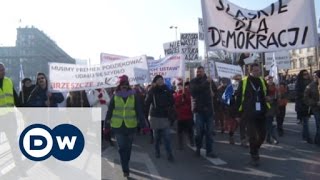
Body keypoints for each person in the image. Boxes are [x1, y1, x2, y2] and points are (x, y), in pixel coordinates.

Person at [105, 75, 145, 177]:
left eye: (126, 84)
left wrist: (143, 124)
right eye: (122, 84)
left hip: (131, 126)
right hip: (118, 127)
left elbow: (139, 111)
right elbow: (109, 111)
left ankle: (126, 161)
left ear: (128, 85)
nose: (124, 86)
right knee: (122, 148)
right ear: (119, 85)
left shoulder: (134, 96)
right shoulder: (115, 96)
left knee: (128, 147)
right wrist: (106, 125)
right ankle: (125, 169)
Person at [235, 63, 271, 166]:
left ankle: (254, 149)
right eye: (255, 70)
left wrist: (268, 97)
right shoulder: (244, 81)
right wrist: (238, 114)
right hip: (249, 113)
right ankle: (254, 155)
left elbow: (267, 93)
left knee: (262, 136)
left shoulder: (262, 81)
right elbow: (238, 98)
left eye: (258, 70)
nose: (257, 72)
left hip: (261, 112)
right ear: (250, 71)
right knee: (252, 136)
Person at [0, 63, 26, 177]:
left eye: (3, 69)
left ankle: (20, 169)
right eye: (0, 70)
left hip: (10, 119)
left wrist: (25, 111)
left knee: (14, 146)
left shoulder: (8, 81)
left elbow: (16, 99)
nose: (3, 71)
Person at [145, 75, 175, 162]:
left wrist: (167, 105)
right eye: (158, 80)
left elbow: (172, 101)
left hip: (164, 116)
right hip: (155, 116)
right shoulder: (152, 90)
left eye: (162, 79)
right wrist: (151, 90)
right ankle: (157, 151)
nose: (161, 81)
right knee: (157, 137)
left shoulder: (166, 89)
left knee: (167, 137)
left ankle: (169, 154)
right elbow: (147, 102)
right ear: (155, 81)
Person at [190, 66, 218, 158]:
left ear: (204, 72)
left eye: (200, 71)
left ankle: (209, 151)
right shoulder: (194, 81)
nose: (199, 73)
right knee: (199, 132)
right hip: (199, 111)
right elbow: (194, 91)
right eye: (197, 71)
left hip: (209, 110)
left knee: (209, 132)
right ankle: (198, 147)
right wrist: (206, 83)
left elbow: (216, 92)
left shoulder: (210, 81)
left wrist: (214, 93)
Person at [174, 80, 194, 150]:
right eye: (178, 86)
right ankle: (180, 145)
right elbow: (175, 104)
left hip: (188, 115)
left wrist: (185, 97)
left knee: (190, 130)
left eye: (180, 86)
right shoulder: (176, 94)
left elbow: (191, 102)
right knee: (180, 132)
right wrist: (180, 100)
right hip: (180, 116)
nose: (179, 87)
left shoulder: (188, 93)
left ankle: (191, 141)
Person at [222, 74, 242, 145]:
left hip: (240, 108)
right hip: (231, 108)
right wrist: (232, 97)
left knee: (239, 123)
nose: (238, 81)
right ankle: (231, 135)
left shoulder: (242, 86)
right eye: (237, 79)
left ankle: (243, 139)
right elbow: (224, 97)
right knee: (233, 124)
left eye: (239, 80)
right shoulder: (230, 87)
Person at [295, 69, 312, 143]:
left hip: (309, 104)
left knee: (306, 122)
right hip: (302, 104)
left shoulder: (311, 82)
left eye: (307, 74)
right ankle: (307, 137)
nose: (306, 75)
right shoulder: (299, 83)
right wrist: (305, 95)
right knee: (305, 122)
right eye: (304, 74)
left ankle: (305, 136)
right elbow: (297, 94)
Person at [304, 70, 320, 146]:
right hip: (316, 108)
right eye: (314, 76)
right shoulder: (310, 86)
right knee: (318, 125)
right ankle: (317, 141)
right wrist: (315, 102)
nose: (314, 78)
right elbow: (306, 98)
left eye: (316, 76)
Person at [265, 76, 279, 145]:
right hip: (265, 109)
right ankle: (273, 138)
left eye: (271, 79)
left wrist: (274, 98)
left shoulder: (275, 88)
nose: (270, 81)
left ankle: (269, 139)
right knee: (269, 124)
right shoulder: (264, 88)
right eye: (269, 79)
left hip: (272, 109)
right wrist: (268, 98)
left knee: (269, 124)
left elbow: (277, 98)